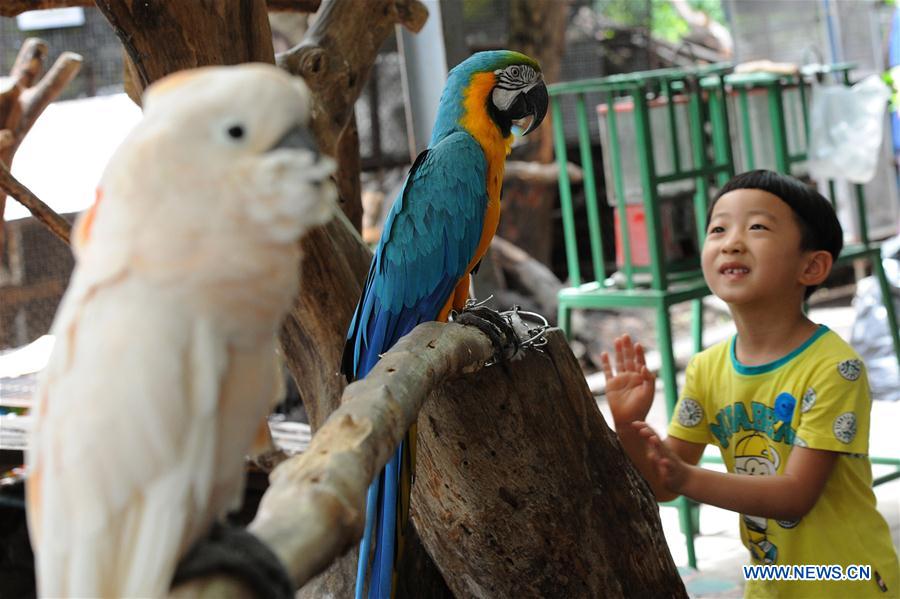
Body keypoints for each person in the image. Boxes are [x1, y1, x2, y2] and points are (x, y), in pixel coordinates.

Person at [601, 170, 899, 597]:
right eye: (718, 228)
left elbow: (795, 495)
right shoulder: (707, 369)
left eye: (757, 227)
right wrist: (630, 426)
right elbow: (664, 485)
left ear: (811, 266)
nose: (731, 241)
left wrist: (688, 478)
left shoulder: (834, 368)